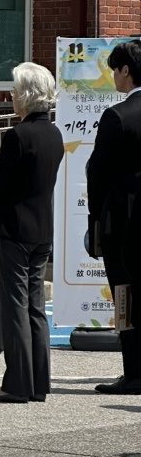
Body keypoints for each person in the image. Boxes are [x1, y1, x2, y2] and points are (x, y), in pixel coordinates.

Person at [0, 62, 63, 403]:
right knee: (35, 307)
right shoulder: (54, 134)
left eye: (15, 91)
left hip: (14, 229)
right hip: (42, 228)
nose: (12, 96)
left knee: (14, 307)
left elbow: (0, 184)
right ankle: (39, 381)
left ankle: (16, 383)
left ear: (27, 95)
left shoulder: (18, 135)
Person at [86, 38, 141, 401]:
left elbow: (98, 174)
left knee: (125, 294)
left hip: (124, 222)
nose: (114, 78)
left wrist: (94, 221)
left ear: (125, 70)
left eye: (115, 71)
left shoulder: (117, 116)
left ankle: (134, 372)